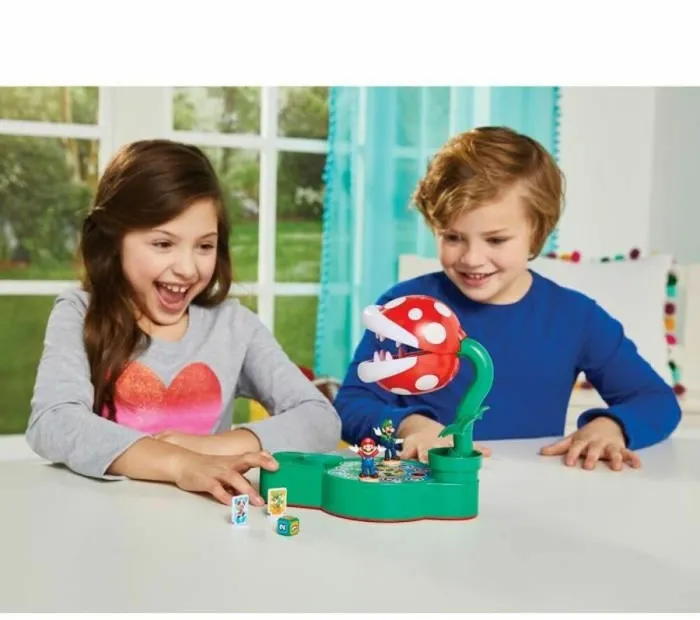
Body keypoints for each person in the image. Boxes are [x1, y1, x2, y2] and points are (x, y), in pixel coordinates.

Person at [334, 126, 681, 471]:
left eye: (496, 240)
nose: (472, 258)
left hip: (533, 486)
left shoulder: (576, 317)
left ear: (537, 233)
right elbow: (351, 406)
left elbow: (656, 400)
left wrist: (611, 426)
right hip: (426, 484)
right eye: (452, 237)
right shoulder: (403, 306)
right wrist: (411, 426)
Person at [26, 139, 341, 505]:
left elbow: (321, 419)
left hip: (209, 524)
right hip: (107, 522)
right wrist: (179, 462)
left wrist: (210, 448)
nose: (188, 269)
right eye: (163, 244)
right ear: (113, 240)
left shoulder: (234, 326)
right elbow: (53, 420)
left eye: (204, 246)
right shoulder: (79, 312)